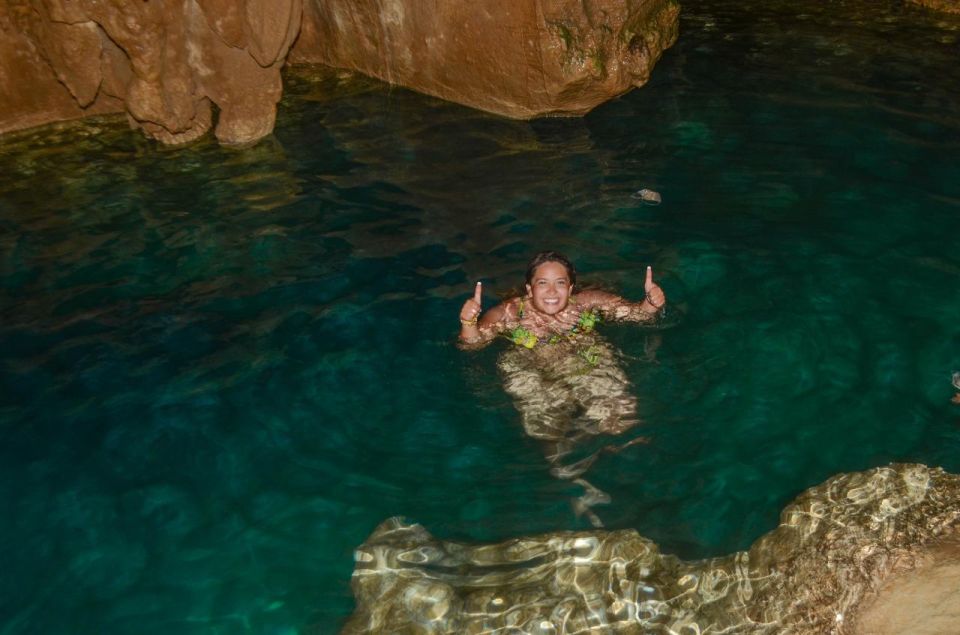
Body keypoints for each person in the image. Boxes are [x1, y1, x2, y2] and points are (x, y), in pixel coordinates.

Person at [457, 251, 667, 525]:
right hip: (528, 365)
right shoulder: (507, 313)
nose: (552, 291)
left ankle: (638, 490)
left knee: (623, 422)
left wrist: (651, 305)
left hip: (584, 358)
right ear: (530, 289)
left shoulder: (588, 303)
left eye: (560, 283)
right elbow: (472, 345)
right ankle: (578, 485)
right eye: (543, 283)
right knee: (546, 429)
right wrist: (468, 324)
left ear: (570, 287)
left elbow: (637, 316)